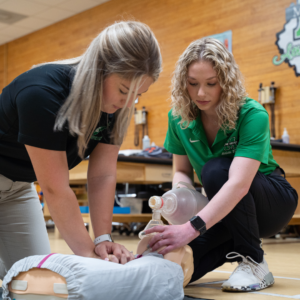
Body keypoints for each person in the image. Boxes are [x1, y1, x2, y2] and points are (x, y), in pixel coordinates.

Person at [0, 21, 162, 280]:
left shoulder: (114, 109)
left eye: (138, 94)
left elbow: (102, 175)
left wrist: (103, 239)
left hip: (18, 190)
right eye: (123, 90)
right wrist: (92, 260)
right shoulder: (41, 93)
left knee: (35, 280)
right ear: (100, 70)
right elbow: (55, 188)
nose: (128, 103)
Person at [144, 38, 298, 292]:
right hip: (228, 208)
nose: (200, 93)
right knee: (176, 266)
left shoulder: (252, 114)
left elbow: (238, 184)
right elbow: (181, 170)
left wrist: (191, 227)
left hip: (271, 203)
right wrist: (182, 200)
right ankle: (236, 246)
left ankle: (254, 261)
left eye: (211, 84)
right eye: (193, 84)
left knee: (215, 170)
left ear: (225, 82)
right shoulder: (178, 117)